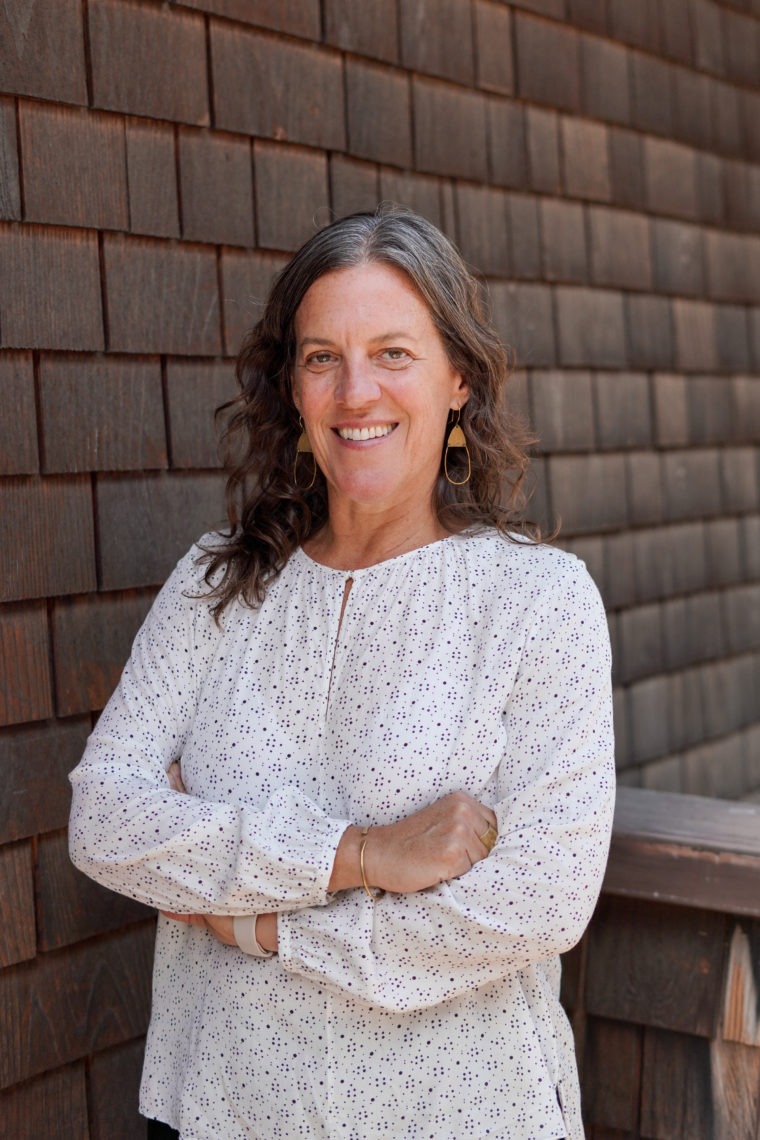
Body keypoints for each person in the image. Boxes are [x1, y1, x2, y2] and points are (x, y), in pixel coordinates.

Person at [69, 206, 615, 1140]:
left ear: (459, 381)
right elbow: (105, 820)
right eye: (323, 356)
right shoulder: (217, 585)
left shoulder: (537, 600)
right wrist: (359, 856)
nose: (356, 390)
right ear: (293, 387)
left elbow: (538, 901)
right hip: (216, 1113)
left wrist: (254, 921)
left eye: (393, 353)